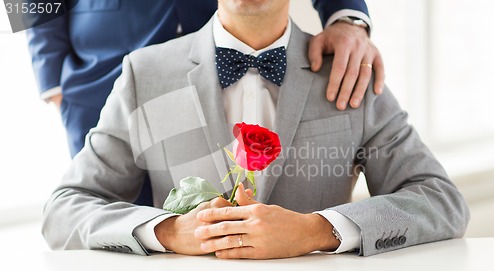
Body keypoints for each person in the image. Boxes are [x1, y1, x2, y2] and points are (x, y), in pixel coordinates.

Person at [42, 0, 469, 258]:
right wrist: (168, 232)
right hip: (95, 71)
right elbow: (66, 210)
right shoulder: (143, 77)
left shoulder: (348, 76)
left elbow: (441, 201)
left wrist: (317, 231)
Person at [27, 0, 384, 158]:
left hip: (230, 63)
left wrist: (346, 16)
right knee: (113, 231)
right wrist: (51, 81)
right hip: (100, 74)